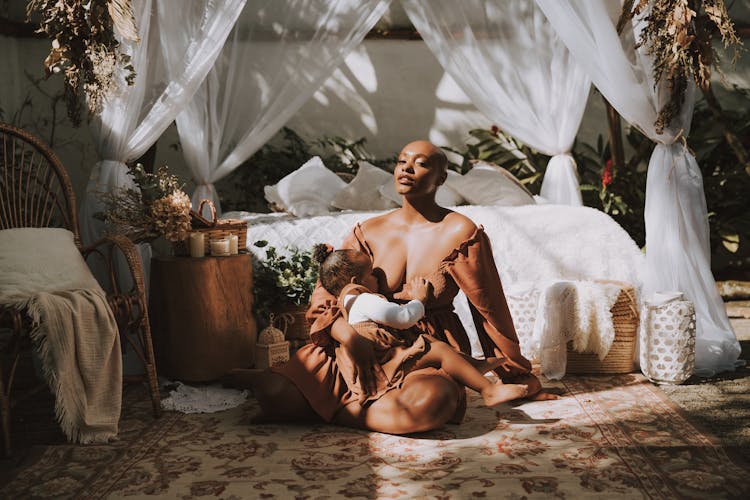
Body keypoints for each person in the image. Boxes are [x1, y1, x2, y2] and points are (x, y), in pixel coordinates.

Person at [235, 140, 556, 434]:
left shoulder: (461, 231)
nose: (407, 168)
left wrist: (517, 376)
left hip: (422, 353)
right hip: (355, 343)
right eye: (402, 161)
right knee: (274, 393)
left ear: (443, 177)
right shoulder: (368, 230)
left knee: (433, 402)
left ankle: (334, 411)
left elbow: (489, 308)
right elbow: (325, 295)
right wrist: (347, 337)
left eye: (421, 163)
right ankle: (363, 411)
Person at [311, 243, 529, 407]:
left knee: (427, 342)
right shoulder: (364, 299)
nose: (378, 278)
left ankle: (472, 365)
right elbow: (402, 318)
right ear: (356, 282)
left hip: (384, 360)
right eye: (371, 274)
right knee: (439, 350)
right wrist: (420, 299)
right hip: (383, 367)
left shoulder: (348, 302)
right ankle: (488, 390)